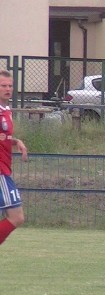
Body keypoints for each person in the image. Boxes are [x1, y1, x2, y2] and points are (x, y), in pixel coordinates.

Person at [0, 70, 29, 247]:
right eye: (3, 85)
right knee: (16, 217)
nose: (8, 88)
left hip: (5, 169)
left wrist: (16, 141)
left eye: (10, 85)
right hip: (1, 172)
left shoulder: (7, 110)